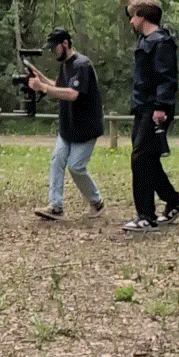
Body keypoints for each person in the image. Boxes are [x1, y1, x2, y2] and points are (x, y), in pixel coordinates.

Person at [115, 0, 179, 230]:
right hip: (142, 107)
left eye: (133, 15)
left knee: (140, 160)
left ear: (142, 17)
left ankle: (146, 216)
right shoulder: (148, 38)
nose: (130, 19)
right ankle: (174, 201)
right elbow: (136, 9)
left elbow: (167, 78)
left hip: (154, 110)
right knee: (149, 160)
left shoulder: (162, 43)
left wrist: (161, 108)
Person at [27, 27, 105, 220]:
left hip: (86, 128)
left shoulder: (82, 65)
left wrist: (42, 88)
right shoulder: (66, 65)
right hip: (68, 127)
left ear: (65, 44)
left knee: (76, 167)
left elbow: (72, 93)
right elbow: (59, 85)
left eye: (55, 47)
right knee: (57, 160)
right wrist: (41, 77)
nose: (54, 51)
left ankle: (97, 202)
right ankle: (55, 207)